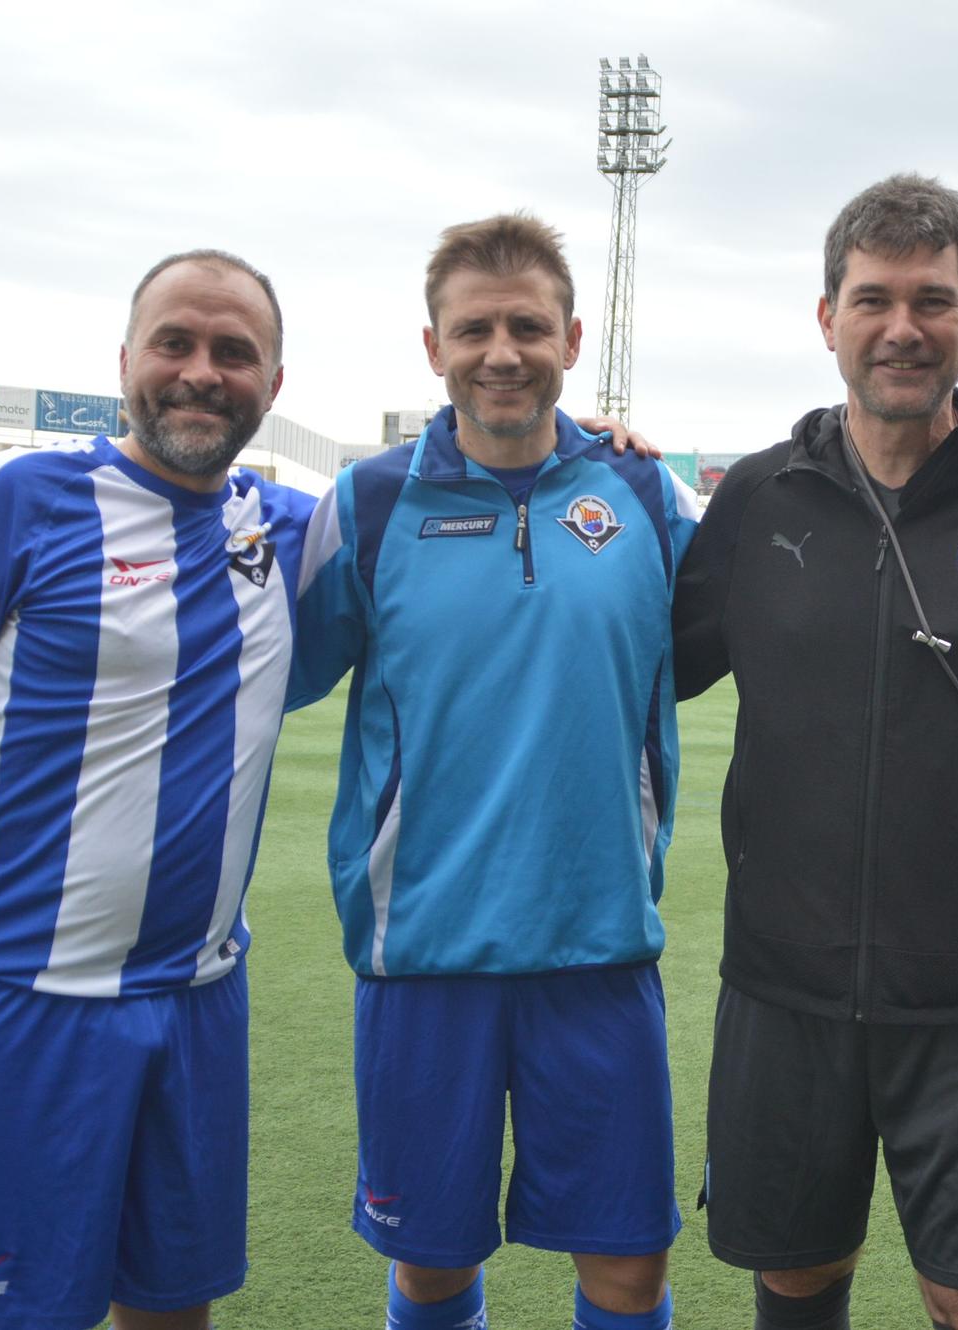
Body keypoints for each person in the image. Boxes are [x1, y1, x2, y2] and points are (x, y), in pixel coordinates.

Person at [671, 174, 958, 1330]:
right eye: (872, 298)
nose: (901, 327)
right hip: (782, 983)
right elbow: (640, 671)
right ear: (824, 316)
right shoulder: (755, 499)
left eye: (931, 300)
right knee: (794, 1274)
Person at [0, 248, 314, 1330]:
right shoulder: (19, 497)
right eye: (175, 343)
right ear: (125, 361)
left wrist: (593, 440)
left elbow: (451, 477)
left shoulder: (285, 531)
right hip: (14, 996)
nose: (201, 372)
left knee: (169, 1308)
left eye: (234, 353)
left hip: (197, 998)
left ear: (274, 385)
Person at [289, 213, 698, 1330]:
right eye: (475, 328)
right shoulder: (369, 507)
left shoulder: (648, 499)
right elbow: (260, 673)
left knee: (628, 1271)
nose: (501, 351)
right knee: (431, 1265)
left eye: (528, 325)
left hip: (600, 952)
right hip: (425, 956)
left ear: (570, 337)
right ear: (433, 346)